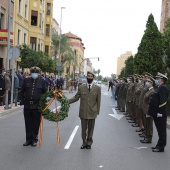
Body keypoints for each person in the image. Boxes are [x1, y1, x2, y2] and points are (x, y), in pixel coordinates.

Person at [69, 71, 101, 149]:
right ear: (86, 77)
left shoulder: (97, 88)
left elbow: (98, 100)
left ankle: (89, 143)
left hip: (92, 112)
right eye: (88, 76)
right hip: (83, 111)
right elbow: (76, 97)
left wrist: (97, 111)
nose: (89, 77)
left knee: (90, 129)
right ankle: (84, 142)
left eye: (91, 76)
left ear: (93, 78)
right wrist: (67, 101)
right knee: (83, 129)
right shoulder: (81, 87)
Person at [20, 66, 47, 147]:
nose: (34, 74)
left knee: (35, 123)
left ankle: (34, 139)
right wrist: (22, 102)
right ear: (31, 73)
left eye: (36, 73)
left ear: (38, 74)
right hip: (27, 105)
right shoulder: (26, 80)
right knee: (28, 123)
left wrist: (43, 104)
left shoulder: (42, 82)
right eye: (33, 73)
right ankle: (28, 139)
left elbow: (45, 93)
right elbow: (21, 91)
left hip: (37, 106)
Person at [148, 72, 169, 152]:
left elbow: (163, 101)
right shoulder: (159, 87)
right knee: (159, 130)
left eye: (157, 79)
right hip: (157, 112)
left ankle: (161, 146)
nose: (156, 80)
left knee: (161, 130)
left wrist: (160, 112)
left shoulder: (163, 87)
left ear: (162, 80)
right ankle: (159, 145)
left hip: (160, 113)